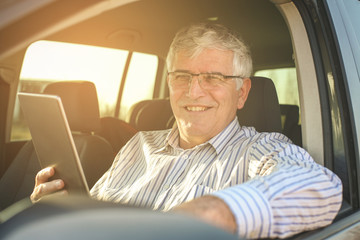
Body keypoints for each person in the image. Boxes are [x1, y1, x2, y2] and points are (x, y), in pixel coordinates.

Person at [30, 23, 342, 239]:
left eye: (213, 77)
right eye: (182, 76)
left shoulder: (260, 149)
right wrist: (65, 210)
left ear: (242, 93)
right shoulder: (138, 144)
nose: (193, 91)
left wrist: (214, 212)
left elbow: (321, 186)